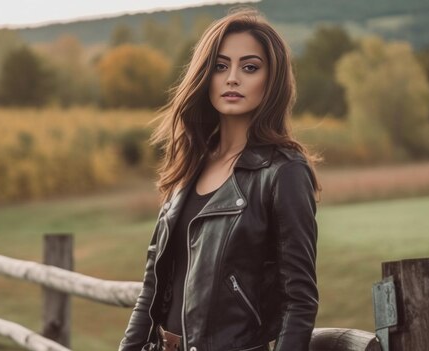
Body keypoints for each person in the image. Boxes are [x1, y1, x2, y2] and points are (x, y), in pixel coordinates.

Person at [119, 8, 321, 351]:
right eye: (220, 66)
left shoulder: (284, 172)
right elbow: (151, 288)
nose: (232, 78)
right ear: (205, 75)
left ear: (271, 81)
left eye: (250, 67)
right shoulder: (189, 165)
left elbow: (299, 301)